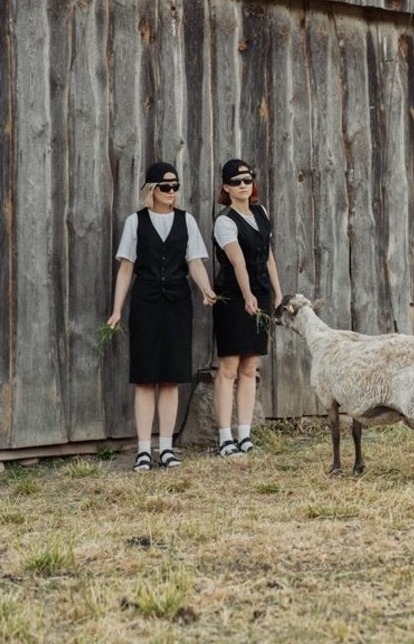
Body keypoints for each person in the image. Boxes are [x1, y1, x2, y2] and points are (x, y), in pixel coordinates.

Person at [107, 162, 216, 471]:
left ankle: (166, 448)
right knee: (145, 378)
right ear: (151, 190)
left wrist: (206, 289)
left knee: (170, 378)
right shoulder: (135, 222)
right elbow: (127, 268)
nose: (172, 192)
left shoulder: (187, 221)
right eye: (165, 187)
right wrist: (117, 310)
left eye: (175, 186)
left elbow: (194, 261)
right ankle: (144, 449)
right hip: (145, 303)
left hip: (178, 305)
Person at [212, 158, 283, 457]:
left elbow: (267, 256)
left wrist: (277, 293)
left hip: (261, 295)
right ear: (226, 187)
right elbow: (237, 260)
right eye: (237, 181)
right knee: (229, 367)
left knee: (250, 366)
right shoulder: (224, 221)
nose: (243, 185)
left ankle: (245, 434)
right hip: (233, 296)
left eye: (247, 179)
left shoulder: (260, 212)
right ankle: (225, 437)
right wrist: (247, 295)